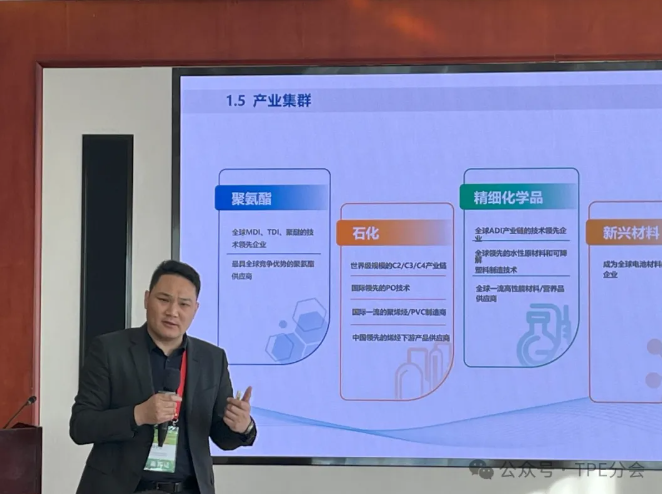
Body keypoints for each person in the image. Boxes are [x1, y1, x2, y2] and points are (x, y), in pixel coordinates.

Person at [70, 260, 257, 494]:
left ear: (195, 309)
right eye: (164, 300)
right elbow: (81, 426)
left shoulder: (212, 359)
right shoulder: (109, 350)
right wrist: (139, 414)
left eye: (184, 304)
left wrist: (242, 427)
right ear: (147, 299)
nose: (172, 312)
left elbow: (222, 437)